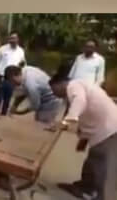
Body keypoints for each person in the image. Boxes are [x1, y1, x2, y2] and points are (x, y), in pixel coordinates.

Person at [50, 71, 117, 200]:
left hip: (109, 130)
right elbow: (87, 114)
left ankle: (102, 196)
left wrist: (66, 122)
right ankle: (84, 187)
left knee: (103, 167)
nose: (54, 94)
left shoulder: (73, 86)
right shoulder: (81, 87)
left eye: (54, 90)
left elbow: (80, 102)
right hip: (103, 130)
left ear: (60, 84)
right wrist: (83, 139)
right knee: (92, 161)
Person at [0, 32, 26, 116]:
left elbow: (23, 64)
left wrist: (21, 78)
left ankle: (3, 115)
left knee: (8, 98)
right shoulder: (2, 49)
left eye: (14, 38)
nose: (12, 40)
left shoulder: (20, 51)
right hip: (2, 76)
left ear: (18, 40)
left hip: (12, 79)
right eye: (11, 38)